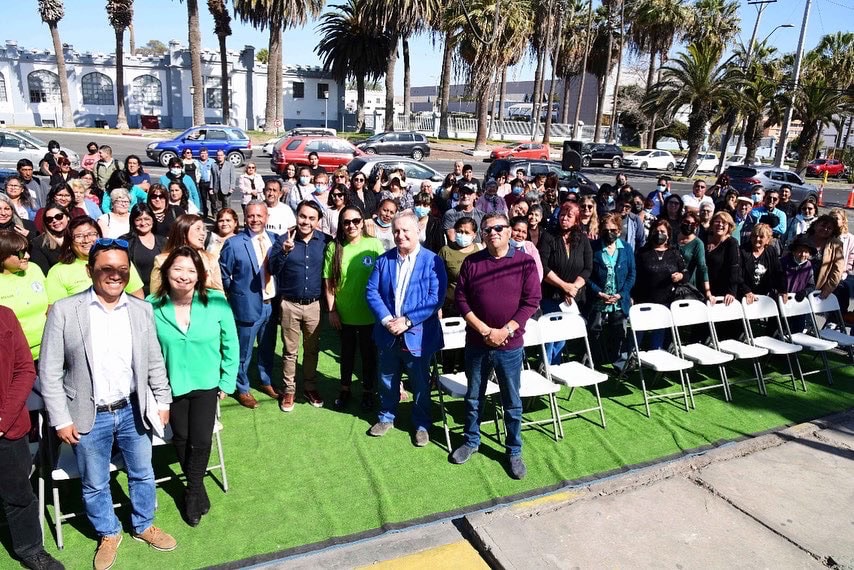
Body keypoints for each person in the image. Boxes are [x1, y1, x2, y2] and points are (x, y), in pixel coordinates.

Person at [40, 238, 177, 569]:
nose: (115, 275)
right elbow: (49, 371)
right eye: (106, 268)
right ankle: (108, 532)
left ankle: (143, 524)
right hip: (88, 415)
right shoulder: (65, 311)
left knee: (143, 472)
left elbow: (153, 360)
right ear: (90, 271)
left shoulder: (141, 309)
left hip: (133, 409)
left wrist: (162, 399)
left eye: (122, 269)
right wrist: (61, 419)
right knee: (95, 482)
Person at [147, 246, 238, 527]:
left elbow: (230, 343)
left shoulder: (216, 301)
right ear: (166, 272)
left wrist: (227, 381)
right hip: (170, 384)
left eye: (191, 270)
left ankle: (191, 492)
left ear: (199, 275)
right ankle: (197, 487)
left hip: (207, 383)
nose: (184, 276)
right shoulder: (151, 305)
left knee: (201, 440)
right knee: (182, 438)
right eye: (178, 269)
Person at [451, 212, 541, 479]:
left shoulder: (524, 262)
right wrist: (483, 329)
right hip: (476, 343)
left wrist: (506, 331)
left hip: (510, 346)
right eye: (487, 229)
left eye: (499, 228)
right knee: (473, 397)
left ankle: (513, 450)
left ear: (510, 231)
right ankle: (471, 440)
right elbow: (461, 299)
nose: (493, 233)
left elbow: (531, 301)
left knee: (511, 401)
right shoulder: (472, 262)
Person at [365, 211, 447, 444]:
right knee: (387, 378)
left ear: (417, 232)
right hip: (388, 333)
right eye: (396, 231)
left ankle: (421, 424)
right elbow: (372, 291)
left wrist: (407, 321)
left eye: (405, 231)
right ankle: (386, 416)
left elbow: (435, 297)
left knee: (420, 383)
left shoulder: (432, 261)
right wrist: (386, 320)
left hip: (418, 335)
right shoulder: (384, 260)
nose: (400, 235)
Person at [0, 307, 64, 570]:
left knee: (18, 494)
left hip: (7, 428)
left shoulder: (5, 317)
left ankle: (31, 549)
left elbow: (25, 369)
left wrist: (2, 420)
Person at [269, 201, 331, 412]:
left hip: (314, 305)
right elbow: (272, 268)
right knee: (290, 351)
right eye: (303, 216)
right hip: (289, 304)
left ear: (318, 221)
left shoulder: (325, 241)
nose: (306, 221)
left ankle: (310, 387)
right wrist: (284, 252)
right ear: (297, 216)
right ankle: (289, 390)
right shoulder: (283, 239)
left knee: (312, 349)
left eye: (311, 218)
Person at [219, 201, 280, 408]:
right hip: (246, 305)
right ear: (245, 217)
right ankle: (242, 387)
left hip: (271, 304)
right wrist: (237, 294)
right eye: (251, 215)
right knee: (243, 352)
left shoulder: (275, 240)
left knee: (267, 347)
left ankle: (265, 380)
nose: (255, 219)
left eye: (259, 215)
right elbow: (223, 273)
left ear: (266, 217)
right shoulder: (234, 243)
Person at [323, 206, 385, 410]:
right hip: (344, 314)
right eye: (347, 222)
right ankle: (345, 390)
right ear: (341, 225)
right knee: (347, 355)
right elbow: (329, 281)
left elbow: (384, 277)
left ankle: (368, 391)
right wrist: (332, 310)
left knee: (369, 356)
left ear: (362, 222)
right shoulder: (334, 247)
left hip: (370, 314)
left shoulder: (374, 244)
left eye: (356, 221)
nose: (351, 225)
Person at [538, 201, 592, 363]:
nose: (564, 219)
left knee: (562, 335)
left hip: (572, 297)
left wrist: (573, 287)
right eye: (562, 215)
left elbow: (588, 268)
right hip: (551, 295)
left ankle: (556, 365)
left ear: (576, 219)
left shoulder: (582, 239)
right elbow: (543, 267)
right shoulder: (548, 236)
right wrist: (564, 286)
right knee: (550, 335)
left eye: (569, 216)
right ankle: (546, 366)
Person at [45, 217, 144, 305]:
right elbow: (55, 310)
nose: (86, 240)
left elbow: (137, 298)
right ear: (70, 241)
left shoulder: (118, 260)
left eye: (91, 234)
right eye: (79, 236)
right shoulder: (58, 271)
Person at [587, 213, 636, 364]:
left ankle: (617, 361)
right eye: (606, 230)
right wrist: (598, 292)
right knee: (594, 331)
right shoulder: (593, 247)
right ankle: (595, 361)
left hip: (619, 299)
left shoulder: (626, 248)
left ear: (619, 231)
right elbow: (587, 274)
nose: (609, 233)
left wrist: (621, 294)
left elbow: (632, 273)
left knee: (618, 332)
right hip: (598, 298)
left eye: (613, 230)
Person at [634, 220, 686, 348]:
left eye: (662, 231)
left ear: (668, 235)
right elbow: (634, 275)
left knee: (658, 334)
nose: (659, 234)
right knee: (638, 332)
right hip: (644, 300)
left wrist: (680, 276)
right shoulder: (642, 252)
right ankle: (631, 355)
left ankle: (656, 352)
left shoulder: (674, 252)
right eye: (656, 231)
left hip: (665, 301)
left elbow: (686, 272)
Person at [0, 231, 49, 361]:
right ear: (3, 256)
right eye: (20, 253)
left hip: (48, 349)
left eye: (27, 250)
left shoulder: (34, 269)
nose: (27, 256)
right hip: (15, 357)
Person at [150, 214, 223, 294]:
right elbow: (155, 294)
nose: (203, 233)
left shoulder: (210, 260)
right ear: (183, 233)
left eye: (203, 229)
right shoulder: (162, 260)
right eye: (198, 229)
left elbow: (219, 292)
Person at [124, 204, 166, 297]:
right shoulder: (125, 242)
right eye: (138, 219)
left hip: (160, 294)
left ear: (153, 220)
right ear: (132, 221)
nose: (143, 223)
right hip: (136, 295)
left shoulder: (163, 241)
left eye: (147, 219)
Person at [741, 223, 785, 304]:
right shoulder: (742, 251)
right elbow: (737, 275)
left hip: (764, 296)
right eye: (754, 236)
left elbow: (778, 272)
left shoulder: (771, 251)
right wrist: (746, 291)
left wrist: (783, 290)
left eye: (761, 237)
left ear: (768, 239)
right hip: (744, 294)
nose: (757, 239)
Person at [705, 211, 742, 305]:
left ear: (729, 226)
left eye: (724, 222)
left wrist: (731, 292)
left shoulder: (732, 243)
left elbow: (734, 267)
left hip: (724, 293)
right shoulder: (704, 240)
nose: (720, 225)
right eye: (717, 221)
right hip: (705, 289)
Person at [806, 214, 846, 302]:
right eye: (823, 226)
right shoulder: (802, 238)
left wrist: (826, 291)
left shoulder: (836, 244)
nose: (825, 229)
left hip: (819, 288)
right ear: (815, 225)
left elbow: (837, 270)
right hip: (797, 284)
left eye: (829, 228)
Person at [675, 211, 711, 300]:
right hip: (668, 284)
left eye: (693, 224)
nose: (689, 225)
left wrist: (707, 291)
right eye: (686, 222)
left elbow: (702, 267)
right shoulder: (672, 238)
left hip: (687, 287)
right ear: (681, 222)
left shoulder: (698, 243)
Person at [29, 204, 69, 274]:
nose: (54, 220)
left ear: (67, 217)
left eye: (58, 216)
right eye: (49, 219)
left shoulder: (78, 236)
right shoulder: (38, 243)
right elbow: (43, 272)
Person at [509, 215, 544, 282]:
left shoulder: (530, 246)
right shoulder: (502, 246)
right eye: (516, 230)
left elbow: (538, 272)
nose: (520, 235)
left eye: (524, 232)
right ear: (509, 230)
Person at [209, 149, 237, 215]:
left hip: (226, 189)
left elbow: (233, 177)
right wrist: (211, 188)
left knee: (227, 206)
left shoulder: (229, 165)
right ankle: (219, 218)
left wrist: (232, 187)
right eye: (218, 155)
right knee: (218, 206)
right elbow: (212, 177)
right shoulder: (213, 165)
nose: (219, 157)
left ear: (224, 156)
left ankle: (227, 218)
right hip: (217, 189)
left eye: (221, 155)